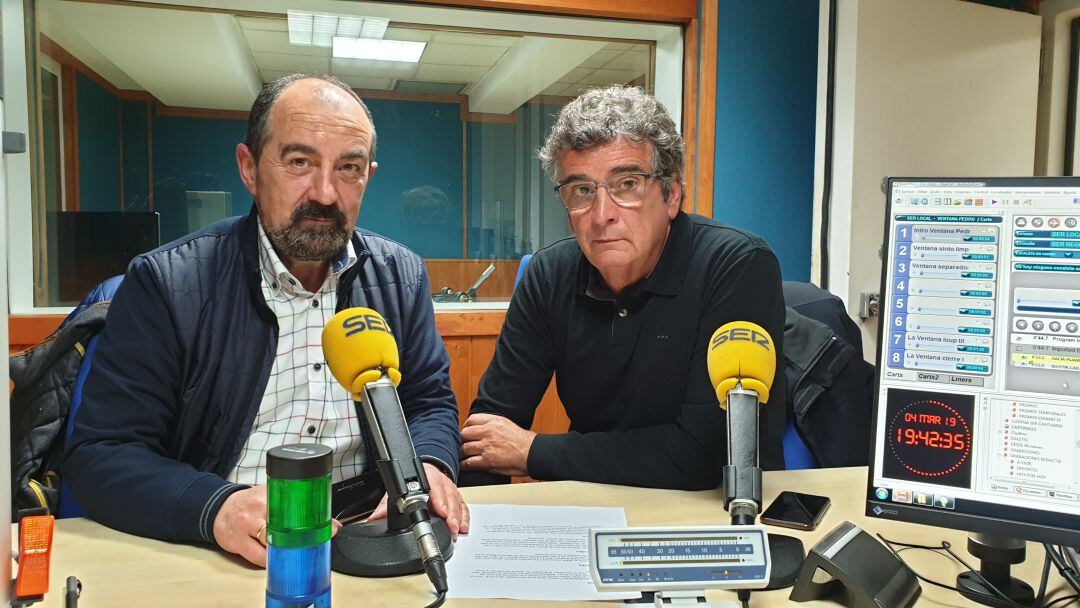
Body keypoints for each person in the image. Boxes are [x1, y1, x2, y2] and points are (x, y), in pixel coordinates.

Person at [63, 74, 468, 567]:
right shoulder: (168, 283)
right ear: (250, 169)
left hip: (370, 532)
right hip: (226, 541)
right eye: (299, 162)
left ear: (368, 176)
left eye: (348, 168)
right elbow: (103, 452)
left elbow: (428, 402)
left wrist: (425, 465)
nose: (324, 192)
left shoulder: (399, 276)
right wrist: (216, 508)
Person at [461, 86, 787, 488]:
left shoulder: (736, 264)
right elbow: (489, 433)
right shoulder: (550, 274)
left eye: (626, 184)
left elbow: (707, 456)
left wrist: (533, 451)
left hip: (714, 515)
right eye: (581, 190)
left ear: (671, 194)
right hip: (594, 501)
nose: (601, 216)